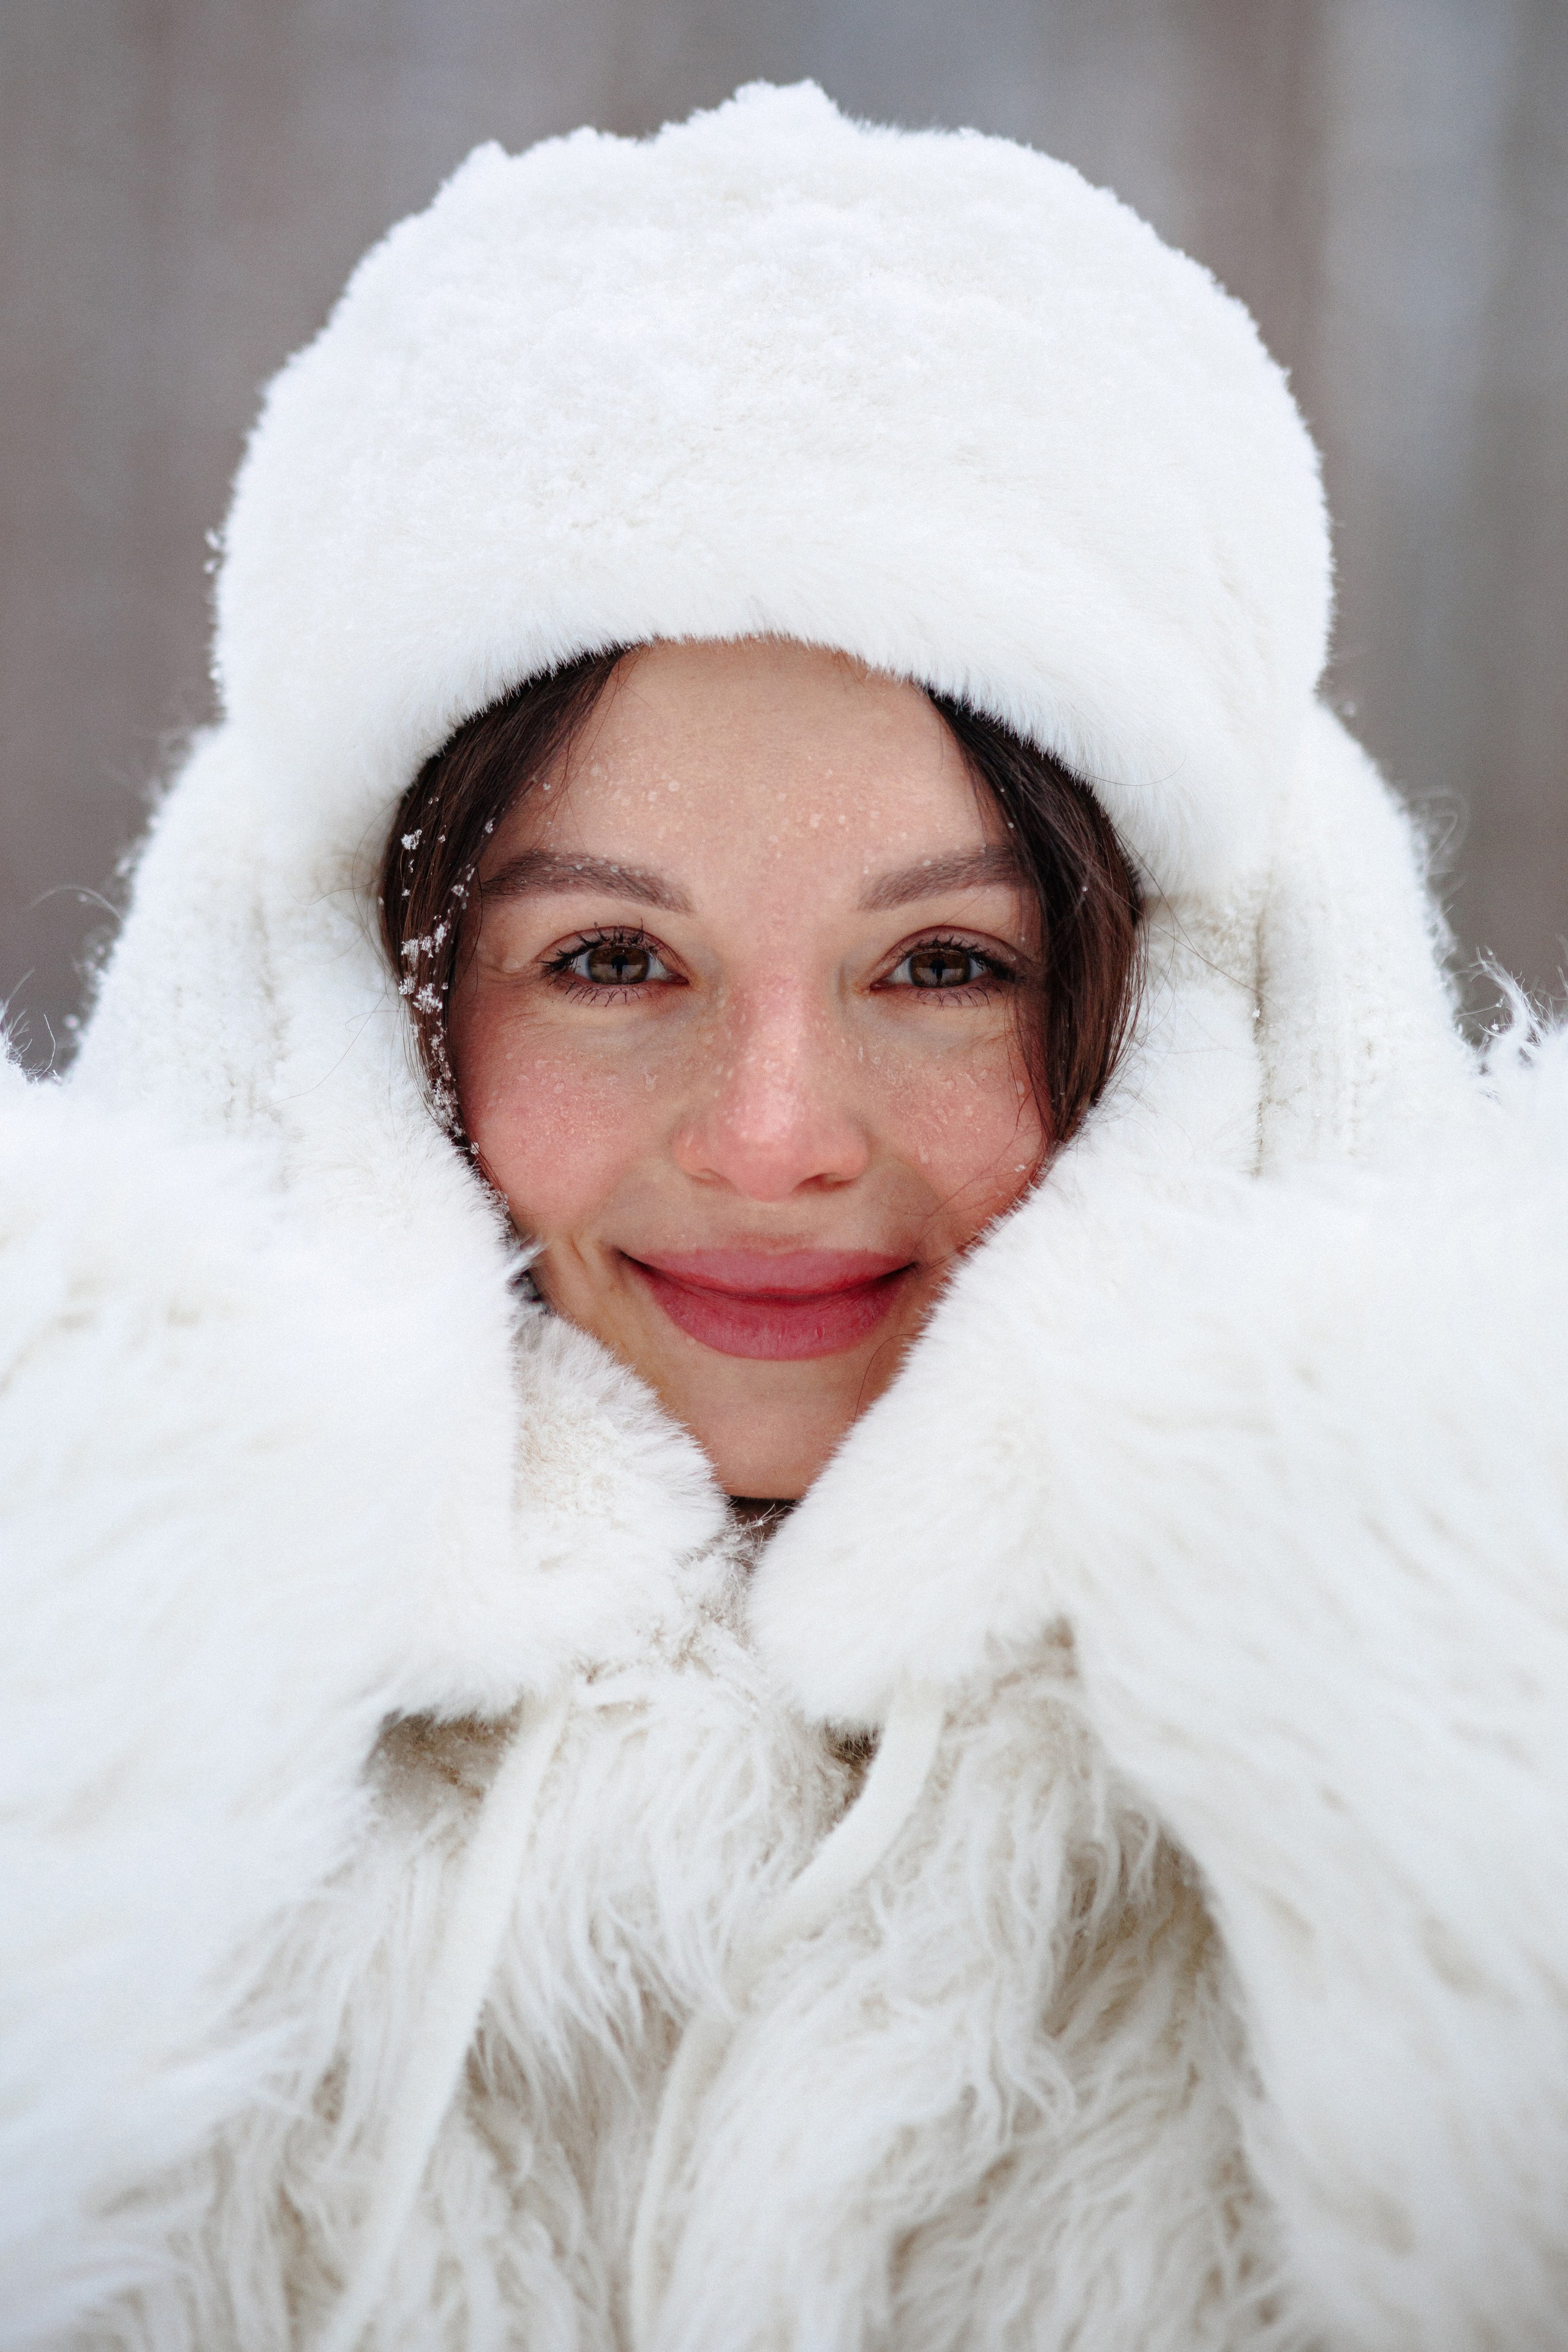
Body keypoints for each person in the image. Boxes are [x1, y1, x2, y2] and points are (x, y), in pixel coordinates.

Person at [2, 80, 1565, 2352]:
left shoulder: (1468, 1765)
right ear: (363, 1017)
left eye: (946, 967)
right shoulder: (75, 1766)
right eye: (612, 962)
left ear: (1191, 1009)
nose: (769, 1137)